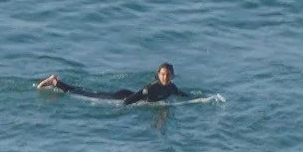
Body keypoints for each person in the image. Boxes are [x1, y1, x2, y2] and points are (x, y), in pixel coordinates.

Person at [34, 63, 200, 105]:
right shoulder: (152, 87)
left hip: (128, 94)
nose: (165, 77)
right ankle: (56, 82)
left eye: (168, 75)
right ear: (158, 75)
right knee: (87, 94)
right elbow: (131, 99)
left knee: (89, 91)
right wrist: (120, 108)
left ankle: (57, 82)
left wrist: (200, 99)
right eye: (163, 74)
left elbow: (182, 95)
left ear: (172, 76)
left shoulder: (171, 87)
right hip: (121, 96)